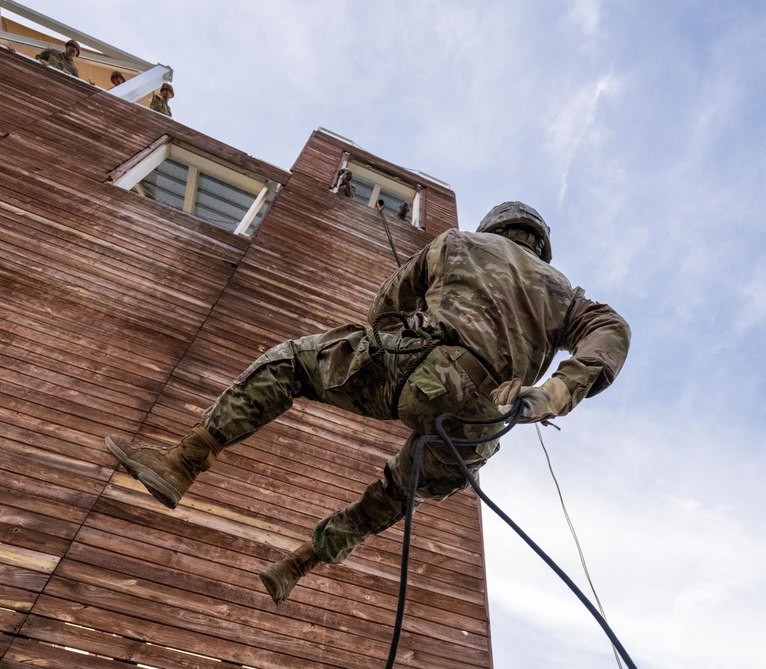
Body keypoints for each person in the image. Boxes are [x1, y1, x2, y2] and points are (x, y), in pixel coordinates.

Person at [106, 201, 630, 604]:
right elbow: (611, 329)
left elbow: (384, 307)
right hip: (481, 423)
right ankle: (300, 564)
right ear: (540, 245)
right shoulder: (564, 293)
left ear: (496, 225)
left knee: (290, 364)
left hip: (416, 367)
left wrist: (392, 339)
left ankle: (183, 462)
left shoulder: (458, 243)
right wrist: (556, 392)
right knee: (395, 494)